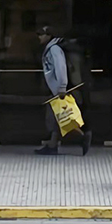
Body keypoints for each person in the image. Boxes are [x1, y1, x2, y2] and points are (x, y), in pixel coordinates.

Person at [35, 26, 92, 156]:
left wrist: (61, 87)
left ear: (49, 35)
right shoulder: (53, 48)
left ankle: (82, 137)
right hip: (56, 89)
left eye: (41, 34)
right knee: (59, 118)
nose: (39, 37)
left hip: (58, 90)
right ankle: (53, 145)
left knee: (59, 118)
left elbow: (60, 67)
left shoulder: (54, 49)